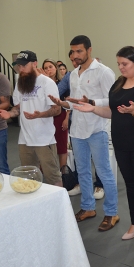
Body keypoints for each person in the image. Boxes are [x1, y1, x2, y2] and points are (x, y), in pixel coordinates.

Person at [75, 46, 134, 248]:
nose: (121, 68)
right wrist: (93, 109)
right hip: (122, 143)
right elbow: (113, 112)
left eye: (125, 64)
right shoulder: (118, 84)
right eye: (119, 64)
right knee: (131, 185)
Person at [49, 35, 119, 232]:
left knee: (104, 172)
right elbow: (76, 102)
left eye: (79, 51)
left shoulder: (104, 72)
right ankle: (88, 207)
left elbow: (112, 100)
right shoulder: (73, 75)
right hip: (77, 129)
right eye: (72, 52)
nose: (75, 55)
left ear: (89, 50)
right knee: (83, 171)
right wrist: (64, 103)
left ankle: (112, 212)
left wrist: (92, 102)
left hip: (97, 128)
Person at [0, 51, 63, 186]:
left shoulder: (47, 83)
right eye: (18, 66)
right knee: (28, 177)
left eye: (23, 66)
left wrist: (40, 115)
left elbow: (57, 109)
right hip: (25, 139)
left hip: (44, 139)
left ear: (34, 64)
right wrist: (10, 114)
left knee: (53, 176)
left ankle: (59, 206)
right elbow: (19, 107)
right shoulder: (20, 83)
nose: (20, 69)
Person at [58, 50, 105, 198]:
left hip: (96, 123)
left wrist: (91, 103)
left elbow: (109, 99)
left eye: (76, 58)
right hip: (77, 125)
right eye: (72, 60)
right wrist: (60, 102)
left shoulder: (101, 72)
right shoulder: (72, 75)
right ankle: (81, 187)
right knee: (81, 163)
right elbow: (70, 99)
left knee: (99, 164)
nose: (74, 62)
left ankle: (99, 185)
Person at [42, 58, 69, 169]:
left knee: (61, 146)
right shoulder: (41, 85)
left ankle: (63, 173)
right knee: (45, 146)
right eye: (45, 68)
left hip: (60, 117)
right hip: (46, 117)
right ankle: (47, 172)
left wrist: (67, 118)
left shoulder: (63, 84)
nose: (49, 70)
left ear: (55, 68)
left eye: (50, 67)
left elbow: (69, 102)